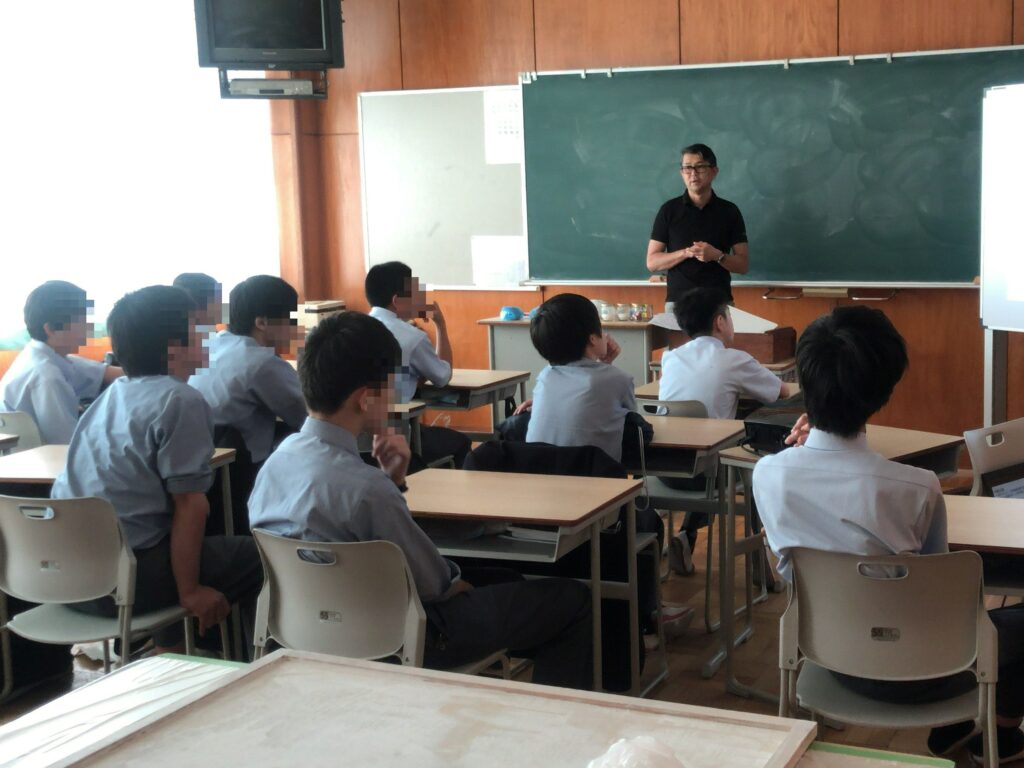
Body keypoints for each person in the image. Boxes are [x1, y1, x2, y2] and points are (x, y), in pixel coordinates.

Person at [248, 311, 593, 689]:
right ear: (366, 399)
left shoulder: (274, 466)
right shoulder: (367, 489)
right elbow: (434, 584)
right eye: (391, 386)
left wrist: (393, 481)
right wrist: (456, 584)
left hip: (307, 632)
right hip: (406, 637)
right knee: (572, 599)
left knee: (504, 581)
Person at [754, 306, 1024, 764]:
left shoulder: (767, 474)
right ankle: (994, 735)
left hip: (826, 656)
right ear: (884, 391)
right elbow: (938, 586)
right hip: (925, 668)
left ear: (805, 380)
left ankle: (956, 731)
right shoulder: (917, 487)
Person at [53, 285, 262, 653]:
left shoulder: (113, 394)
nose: (207, 336)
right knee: (263, 557)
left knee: (181, 541)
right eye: (199, 328)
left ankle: (174, 652)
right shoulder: (179, 399)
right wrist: (190, 592)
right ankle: (243, 663)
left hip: (71, 578)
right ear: (174, 347)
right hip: (125, 581)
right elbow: (190, 506)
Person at [189, 275, 306, 465]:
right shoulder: (261, 362)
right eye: (291, 319)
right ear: (262, 323)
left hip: (206, 460)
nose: (296, 327)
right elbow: (310, 416)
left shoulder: (212, 345)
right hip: (243, 468)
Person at [365, 261, 470, 468]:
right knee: (461, 442)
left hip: (358, 442)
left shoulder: (353, 328)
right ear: (396, 300)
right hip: (399, 439)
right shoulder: (412, 337)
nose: (419, 299)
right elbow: (442, 377)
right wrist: (440, 324)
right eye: (414, 294)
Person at [1, 281, 122, 444]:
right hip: (43, 455)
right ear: (50, 329)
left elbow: (101, 372)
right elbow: (67, 442)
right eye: (81, 322)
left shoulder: (43, 356)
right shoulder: (45, 375)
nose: (88, 328)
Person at [524, 293, 634, 463]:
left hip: (539, 473)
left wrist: (604, 365)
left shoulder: (545, 377)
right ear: (592, 339)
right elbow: (633, 423)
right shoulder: (619, 379)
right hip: (595, 474)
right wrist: (606, 365)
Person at [660, 287, 794, 418]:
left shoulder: (671, 357)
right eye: (730, 316)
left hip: (666, 432)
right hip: (715, 433)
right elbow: (782, 391)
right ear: (720, 322)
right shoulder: (735, 360)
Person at [646, 143, 748, 308]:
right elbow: (652, 262)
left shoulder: (729, 211)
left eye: (700, 167)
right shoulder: (669, 210)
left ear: (714, 171)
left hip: (719, 303)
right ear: (682, 172)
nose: (693, 174)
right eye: (687, 168)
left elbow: (742, 265)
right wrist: (686, 253)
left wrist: (717, 256)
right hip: (678, 304)